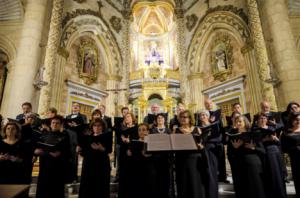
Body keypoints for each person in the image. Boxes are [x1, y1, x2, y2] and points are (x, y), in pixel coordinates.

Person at [229, 115, 266, 198]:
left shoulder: (253, 133)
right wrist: (235, 148)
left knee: (256, 187)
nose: (238, 123)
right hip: (240, 165)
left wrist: (253, 147)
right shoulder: (233, 135)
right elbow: (230, 153)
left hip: (253, 164)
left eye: (240, 121)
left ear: (245, 122)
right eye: (236, 122)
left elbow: (263, 151)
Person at [35, 115, 71, 198]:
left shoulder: (64, 137)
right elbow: (37, 149)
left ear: (61, 125)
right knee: (43, 189)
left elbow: (68, 152)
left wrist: (60, 153)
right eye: (53, 123)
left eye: (57, 123)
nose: (55, 124)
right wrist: (37, 152)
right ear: (50, 124)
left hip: (58, 167)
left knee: (56, 190)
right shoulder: (44, 135)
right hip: (45, 166)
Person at [254, 113, 287, 198]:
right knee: (270, 175)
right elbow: (255, 145)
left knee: (279, 175)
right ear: (257, 120)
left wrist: (276, 139)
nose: (263, 120)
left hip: (276, 153)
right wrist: (264, 140)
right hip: (266, 154)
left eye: (265, 118)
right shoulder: (255, 130)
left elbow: (279, 142)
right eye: (261, 118)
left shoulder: (272, 128)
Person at [175, 110, 206, 198]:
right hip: (181, 159)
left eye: (185, 117)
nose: (182, 119)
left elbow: (202, 144)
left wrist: (201, 146)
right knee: (183, 183)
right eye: (181, 117)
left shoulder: (197, 129)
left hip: (195, 159)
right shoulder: (176, 130)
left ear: (190, 118)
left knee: (195, 182)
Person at [79, 118, 112, 198]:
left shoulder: (106, 136)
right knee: (87, 185)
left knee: (101, 185)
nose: (96, 127)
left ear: (103, 127)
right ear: (92, 127)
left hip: (101, 165)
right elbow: (83, 153)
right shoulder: (87, 137)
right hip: (88, 164)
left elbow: (109, 150)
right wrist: (79, 150)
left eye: (99, 125)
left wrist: (101, 148)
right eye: (95, 125)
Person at [197, 109, 219, 198]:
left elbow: (218, 139)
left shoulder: (214, 126)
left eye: (204, 115)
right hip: (200, 154)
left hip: (211, 153)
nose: (202, 117)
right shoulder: (197, 128)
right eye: (201, 115)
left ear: (208, 116)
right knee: (202, 176)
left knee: (211, 176)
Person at [118, 112, 138, 198]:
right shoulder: (122, 129)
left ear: (133, 118)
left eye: (129, 116)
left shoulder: (137, 128)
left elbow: (139, 141)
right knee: (123, 174)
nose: (127, 118)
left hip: (134, 154)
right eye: (125, 117)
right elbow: (118, 142)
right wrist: (122, 140)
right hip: (123, 153)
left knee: (133, 175)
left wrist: (129, 142)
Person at [65, 102, 87, 183]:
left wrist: (76, 126)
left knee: (74, 159)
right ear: (71, 108)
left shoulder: (83, 116)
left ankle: (74, 178)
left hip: (77, 139)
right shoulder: (67, 117)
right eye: (74, 106)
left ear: (79, 108)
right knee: (67, 159)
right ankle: (67, 177)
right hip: (68, 139)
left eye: (77, 106)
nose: (75, 107)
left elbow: (85, 128)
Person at [151, 113, 172, 198]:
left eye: (162, 118)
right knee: (156, 177)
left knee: (165, 177)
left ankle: (165, 194)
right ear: (156, 120)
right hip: (155, 157)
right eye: (158, 118)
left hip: (166, 157)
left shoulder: (168, 131)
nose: (160, 119)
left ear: (164, 120)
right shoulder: (152, 130)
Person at [281, 112, 300, 197]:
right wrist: (295, 148)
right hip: (296, 160)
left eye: (299, 119)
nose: (298, 121)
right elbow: (283, 148)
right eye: (296, 119)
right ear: (291, 121)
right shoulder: (286, 133)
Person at [113, 107, 129, 183]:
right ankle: (118, 176)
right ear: (122, 113)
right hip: (119, 144)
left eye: (127, 112)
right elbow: (115, 131)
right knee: (119, 161)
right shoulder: (118, 122)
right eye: (124, 112)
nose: (125, 113)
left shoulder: (130, 121)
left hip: (128, 144)